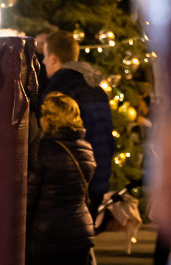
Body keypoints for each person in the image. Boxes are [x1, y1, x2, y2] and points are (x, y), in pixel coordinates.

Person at [42, 31, 115, 206]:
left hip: (72, 184)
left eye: (45, 56)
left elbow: (53, 138)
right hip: (99, 176)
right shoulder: (96, 87)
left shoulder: (60, 88)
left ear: (53, 58)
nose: (43, 62)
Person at [27, 93, 98, 265]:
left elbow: (31, 195)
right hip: (80, 231)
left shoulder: (46, 149)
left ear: (50, 119)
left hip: (50, 234)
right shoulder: (86, 148)